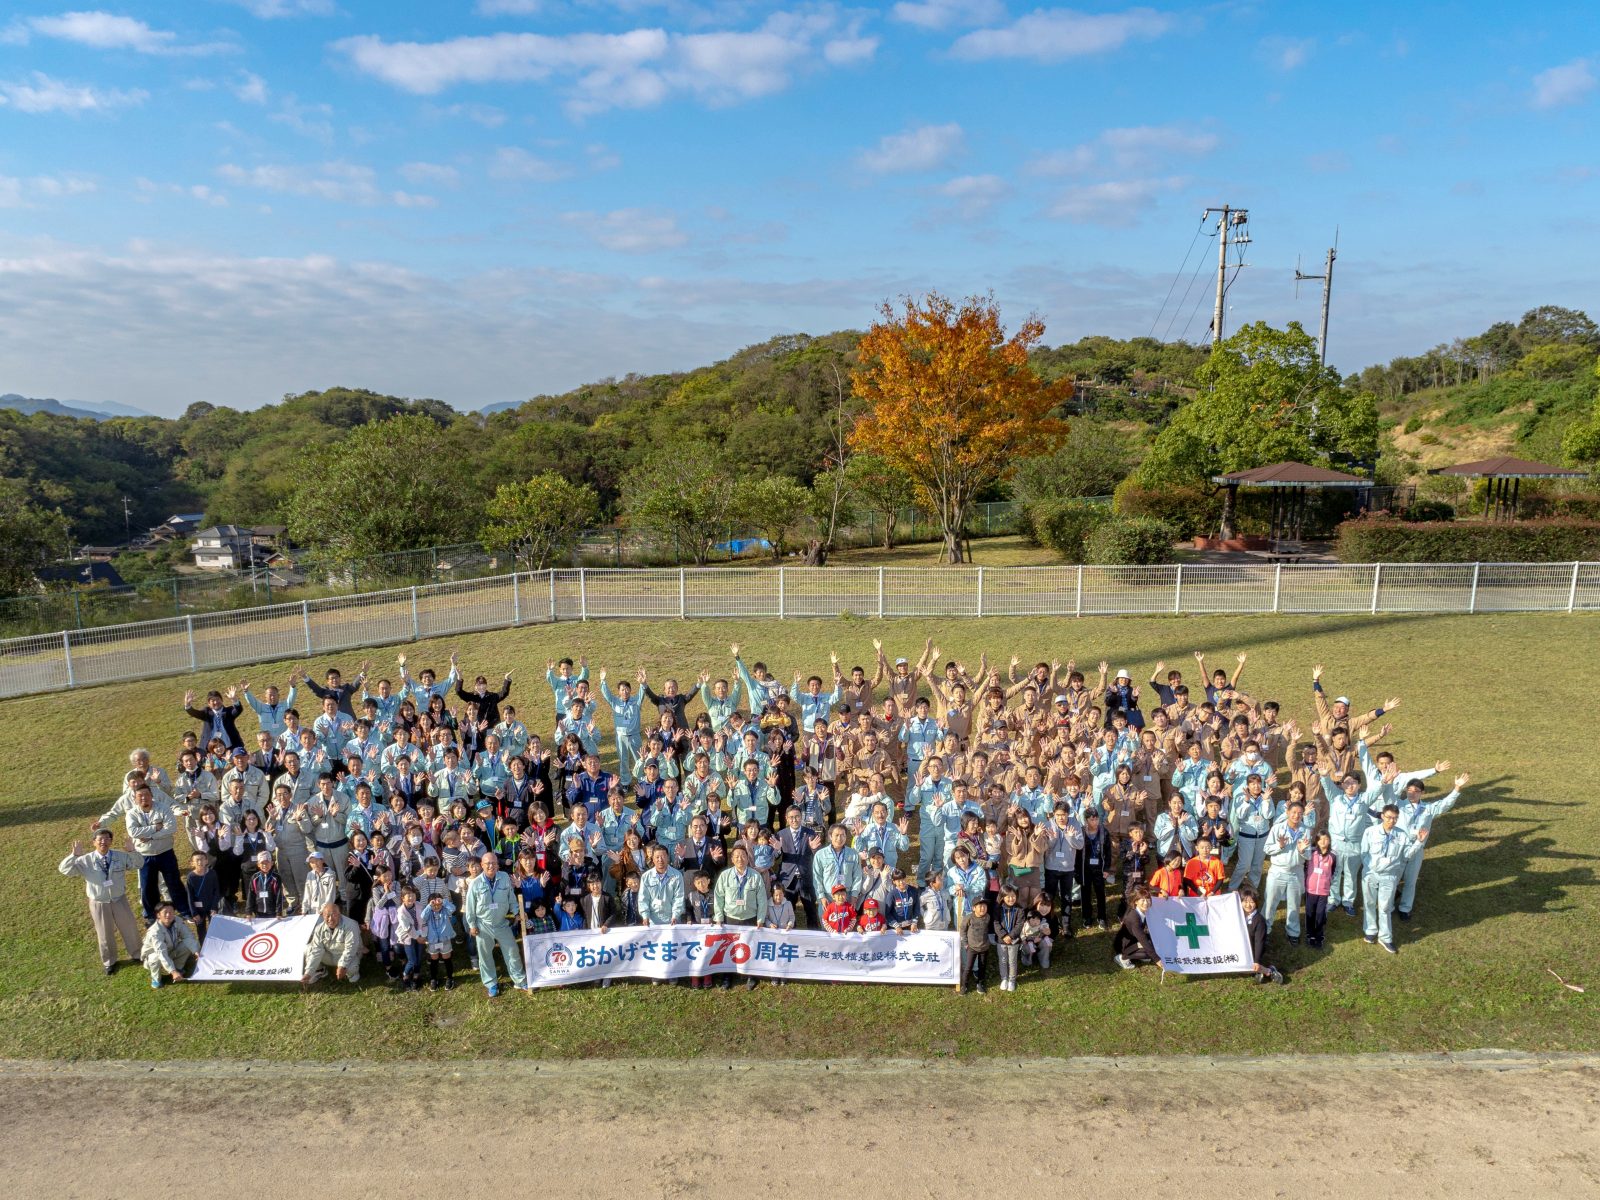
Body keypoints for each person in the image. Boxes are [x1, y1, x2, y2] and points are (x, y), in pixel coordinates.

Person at [59, 828, 144, 974]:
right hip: (99, 902)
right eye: (100, 839)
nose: (103, 842)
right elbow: (64, 870)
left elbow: (139, 864)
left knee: (130, 927)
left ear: (111, 841)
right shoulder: (84, 860)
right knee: (104, 933)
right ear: (94, 842)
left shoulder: (121, 856)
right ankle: (109, 962)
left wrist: (132, 851)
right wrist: (74, 855)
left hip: (119, 899)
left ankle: (138, 954)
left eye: (107, 839)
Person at [1395, 773, 1467, 921]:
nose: (1412, 793)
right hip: (1398, 849)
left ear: (1422, 792)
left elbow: (1444, 805)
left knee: (1411, 881)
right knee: (1392, 879)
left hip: (1417, 849)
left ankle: (1405, 908)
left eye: (1416, 791)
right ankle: (1388, 905)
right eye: (1409, 790)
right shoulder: (1398, 805)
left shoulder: (1427, 808)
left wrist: (1457, 788)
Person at [1360, 805, 1428, 954]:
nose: (1392, 821)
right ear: (1382, 816)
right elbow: (1363, 853)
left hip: (1389, 876)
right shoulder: (1370, 832)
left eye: (1395, 818)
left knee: (1385, 907)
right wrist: (1372, 868)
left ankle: (1385, 937)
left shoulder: (1402, 835)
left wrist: (1419, 842)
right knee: (1369, 903)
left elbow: (1406, 855)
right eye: (1389, 817)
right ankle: (1370, 930)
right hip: (1371, 874)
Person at [464, 850, 526, 995]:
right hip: (483, 925)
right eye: (487, 863)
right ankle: (491, 983)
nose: (491, 866)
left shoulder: (504, 877)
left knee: (512, 952)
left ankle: (519, 980)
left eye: (493, 863)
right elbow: (470, 906)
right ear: (482, 865)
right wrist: (472, 925)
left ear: (498, 865)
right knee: (485, 956)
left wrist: (516, 912)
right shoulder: (475, 883)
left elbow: (511, 897)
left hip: (502, 923)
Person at [302, 901, 363, 985]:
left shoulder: (351, 925)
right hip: (330, 954)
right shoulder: (319, 928)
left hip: (348, 954)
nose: (330, 919)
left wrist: (342, 966)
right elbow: (316, 950)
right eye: (327, 916)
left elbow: (351, 949)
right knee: (308, 948)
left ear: (339, 914)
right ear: (323, 916)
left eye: (334, 915)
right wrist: (308, 973)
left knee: (351, 970)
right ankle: (320, 971)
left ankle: (352, 974)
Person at [141, 901, 199, 989]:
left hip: (171, 950)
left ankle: (178, 968)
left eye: (171, 912)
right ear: (158, 915)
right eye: (165, 912)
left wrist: (196, 951)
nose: (168, 915)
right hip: (155, 956)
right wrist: (173, 971)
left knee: (189, 943)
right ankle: (156, 979)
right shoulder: (155, 932)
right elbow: (161, 953)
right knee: (155, 957)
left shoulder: (177, 920)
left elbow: (188, 936)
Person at [1239, 885, 1284, 984]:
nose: (1248, 905)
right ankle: (1257, 971)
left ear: (1256, 903)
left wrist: (1257, 961)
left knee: (1248, 967)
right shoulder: (1239, 914)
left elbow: (1259, 942)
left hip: (1254, 949)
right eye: (1245, 901)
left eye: (1251, 902)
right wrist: (1233, 897)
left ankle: (1268, 971)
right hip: (1242, 948)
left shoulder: (1259, 920)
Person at [1112, 884, 1158, 970]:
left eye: (1148, 900)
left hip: (1134, 940)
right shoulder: (1134, 918)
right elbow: (1143, 939)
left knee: (1152, 947)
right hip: (1124, 945)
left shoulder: (1142, 911)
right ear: (1136, 901)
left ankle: (1138, 953)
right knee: (1148, 952)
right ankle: (1122, 958)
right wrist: (1157, 959)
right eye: (1143, 900)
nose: (1146, 903)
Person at [421, 891, 457, 991]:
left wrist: (443, 901)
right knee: (434, 959)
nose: (436, 906)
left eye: (438, 904)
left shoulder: (445, 910)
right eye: (434, 905)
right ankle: (433, 979)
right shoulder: (428, 912)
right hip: (433, 940)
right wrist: (429, 906)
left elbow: (453, 908)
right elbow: (422, 917)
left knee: (447, 958)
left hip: (445, 939)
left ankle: (450, 978)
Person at [992, 885, 1026, 992]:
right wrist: (1003, 935)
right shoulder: (997, 908)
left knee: (1012, 961)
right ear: (1002, 897)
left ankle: (1012, 980)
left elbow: (1019, 925)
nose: (1011, 899)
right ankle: (1004, 979)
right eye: (1008, 896)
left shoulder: (1019, 909)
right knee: (1002, 960)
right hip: (1001, 940)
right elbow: (996, 923)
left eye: (1013, 896)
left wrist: (1010, 936)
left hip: (1013, 941)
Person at [957, 894, 991, 995]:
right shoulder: (968, 918)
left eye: (984, 906)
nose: (983, 908)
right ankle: (964, 985)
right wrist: (965, 943)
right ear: (973, 908)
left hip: (984, 947)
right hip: (971, 947)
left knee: (982, 966)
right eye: (980, 906)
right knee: (968, 967)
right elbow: (962, 930)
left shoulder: (988, 917)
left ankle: (980, 984)